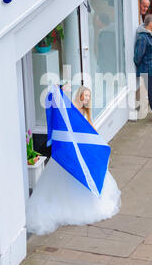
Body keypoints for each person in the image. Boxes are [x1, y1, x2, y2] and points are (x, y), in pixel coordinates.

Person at [26, 86, 121, 236]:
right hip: (70, 154)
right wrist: (59, 91)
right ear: (80, 95)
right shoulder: (72, 111)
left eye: (89, 96)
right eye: (85, 95)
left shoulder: (85, 113)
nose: (87, 98)